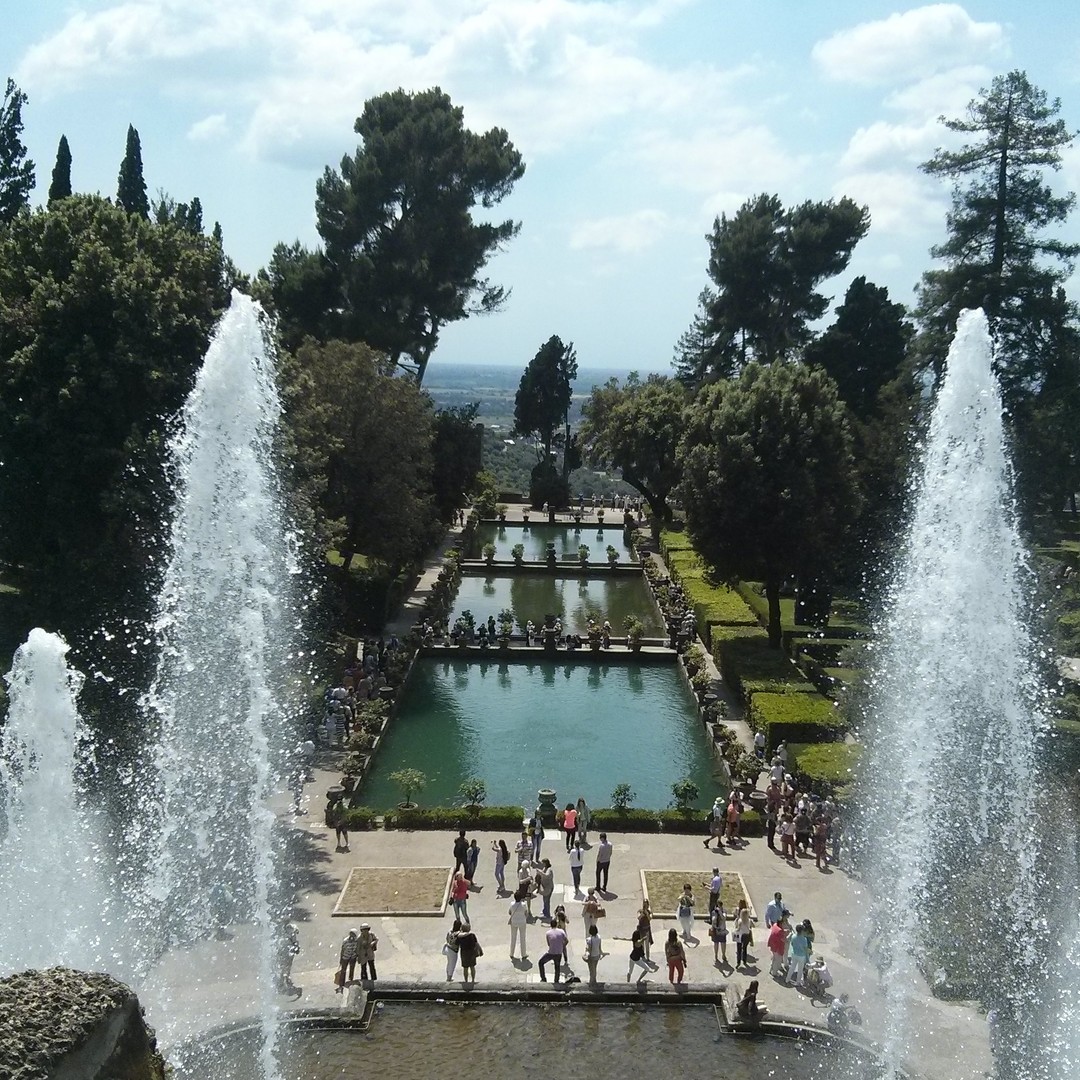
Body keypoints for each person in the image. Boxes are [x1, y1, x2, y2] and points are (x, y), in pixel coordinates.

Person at [787, 921, 810, 986]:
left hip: (794, 954)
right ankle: (798, 982)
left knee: (792, 967)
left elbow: (792, 944)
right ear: (802, 931)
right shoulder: (804, 939)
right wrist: (807, 958)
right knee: (800, 970)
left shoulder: (793, 936)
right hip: (801, 956)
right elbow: (805, 949)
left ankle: (787, 979)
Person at [733, 899, 754, 968]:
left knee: (739, 950)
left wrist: (735, 930)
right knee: (745, 949)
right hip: (747, 936)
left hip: (740, 935)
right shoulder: (749, 920)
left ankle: (738, 962)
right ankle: (744, 961)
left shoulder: (740, 920)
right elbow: (753, 926)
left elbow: (738, 928)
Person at [509, 894, 529, 959]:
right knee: (522, 938)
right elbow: (526, 913)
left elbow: (509, 912)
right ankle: (523, 954)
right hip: (522, 922)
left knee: (513, 938)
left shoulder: (512, 904)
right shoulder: (523, 904)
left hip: (514, 922)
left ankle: (511, 953)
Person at [710, 902, 730, 966]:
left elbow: (724, 918)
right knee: (716, 943)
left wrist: (720, 912)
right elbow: (713, 921)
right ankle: (716, 955)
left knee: (723, 943)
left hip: (722, 930)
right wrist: (715, 916)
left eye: (719, 906)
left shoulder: (724, 911)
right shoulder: (714, 912)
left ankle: (723, 955)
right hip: (716, 930)